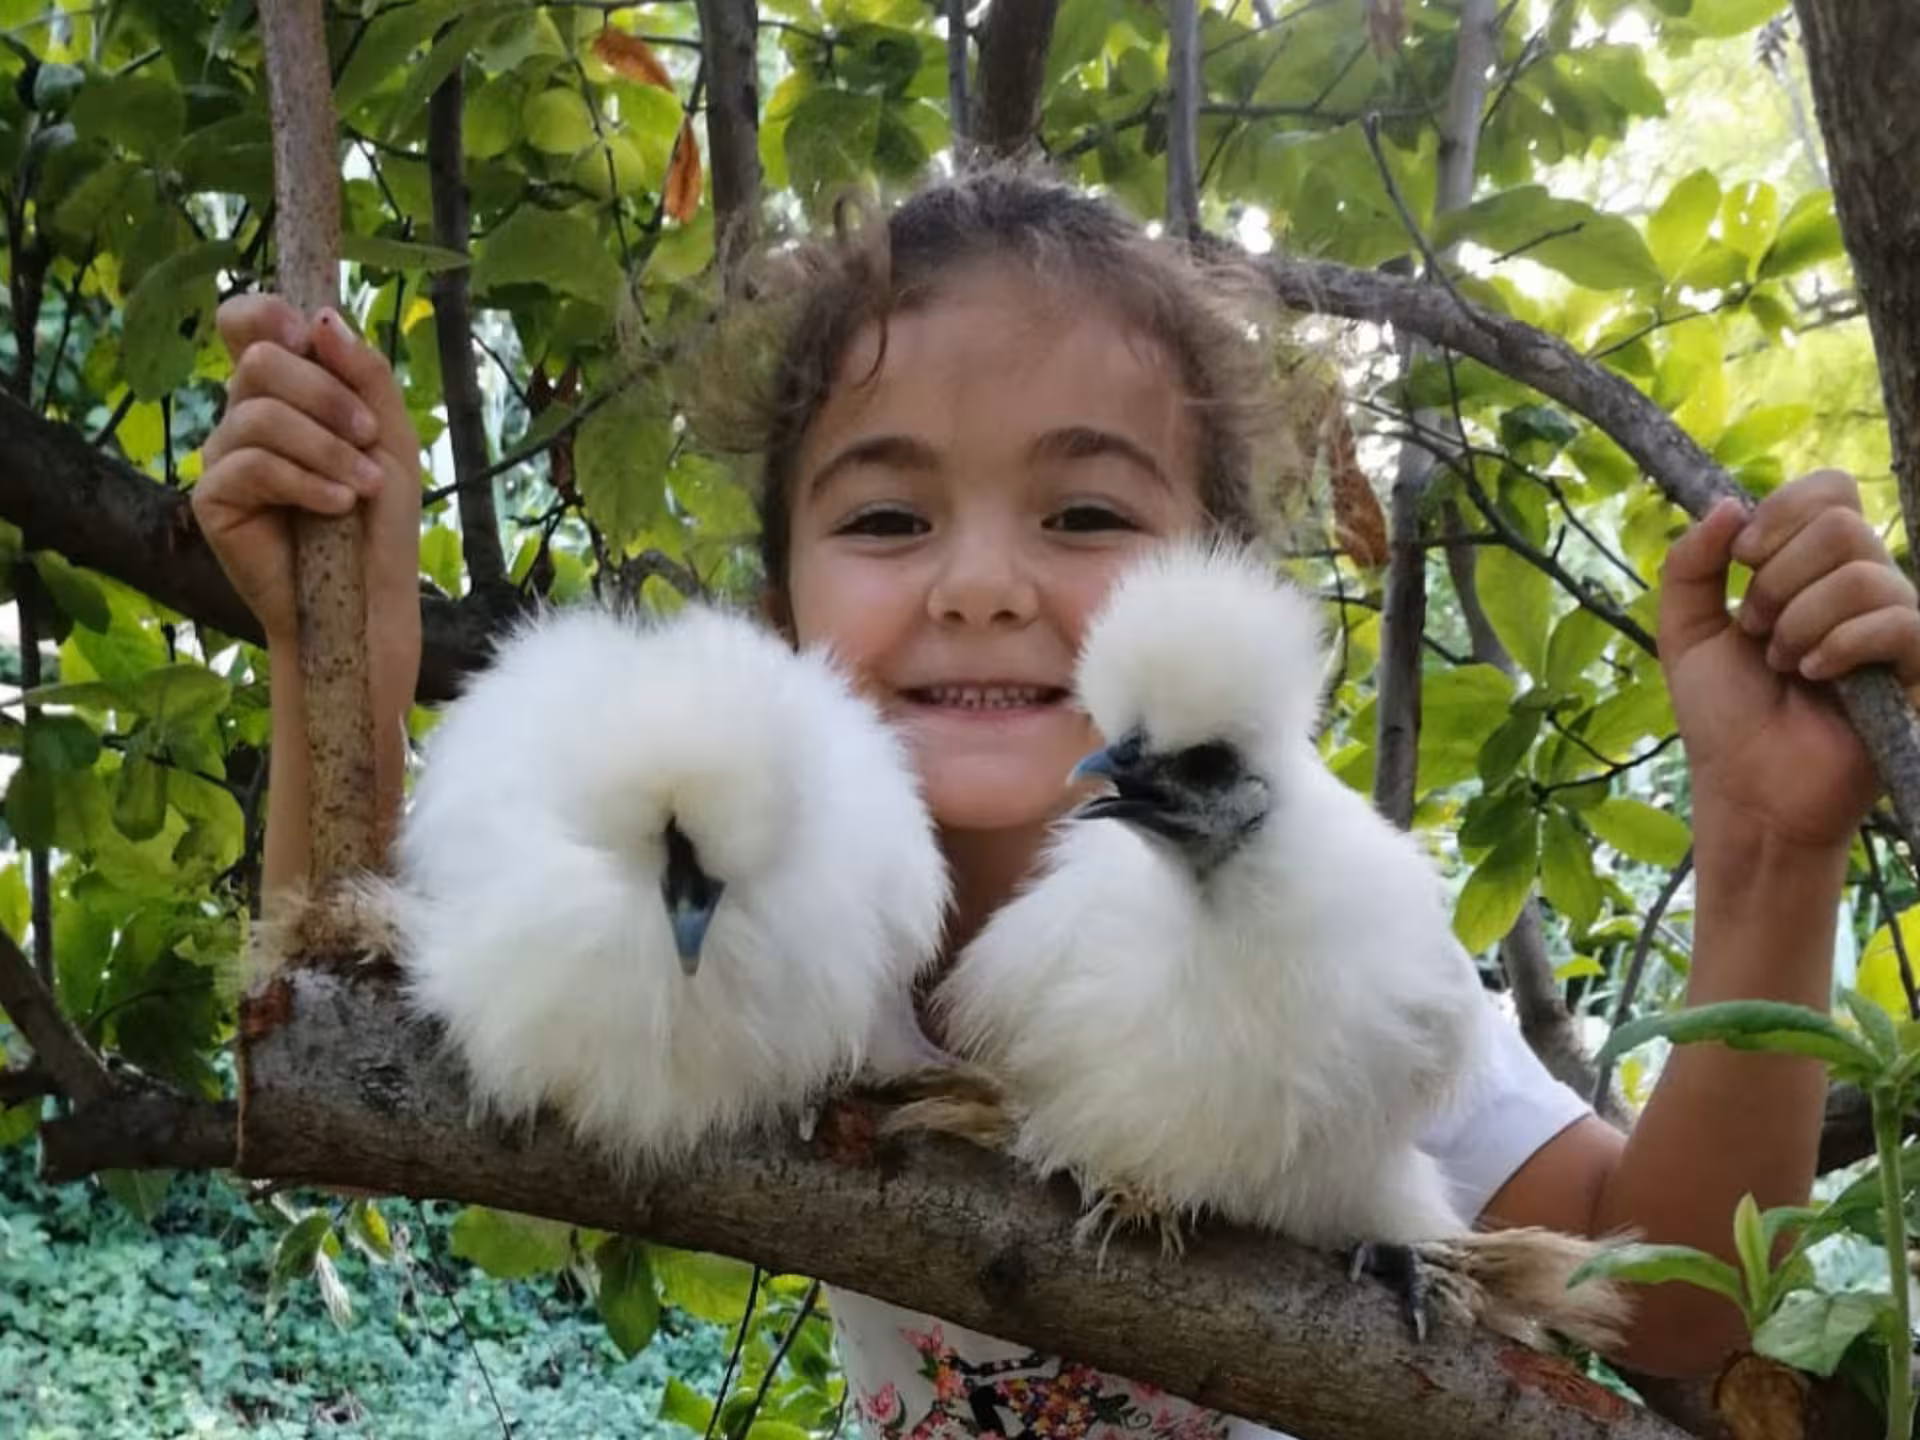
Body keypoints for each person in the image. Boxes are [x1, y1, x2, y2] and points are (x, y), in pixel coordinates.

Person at [194, 168, 1920, 1437]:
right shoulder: (735, 917)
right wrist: (334, 672)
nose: (982, 585)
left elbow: (1674, 1301)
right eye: (885, 522)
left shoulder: (1300, 928)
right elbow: (360, 1061)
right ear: (782, 605)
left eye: (1087, 519)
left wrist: (1771, 847)